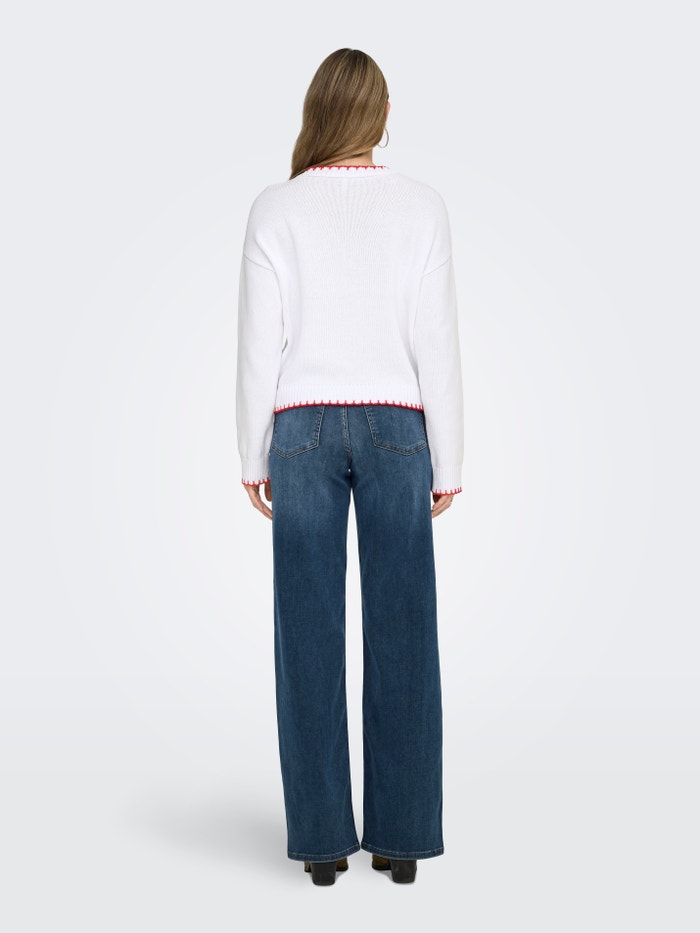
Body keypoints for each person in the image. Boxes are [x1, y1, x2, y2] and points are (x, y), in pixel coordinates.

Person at [235, 48, 464, 886]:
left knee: (306, 633)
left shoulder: (276, 207)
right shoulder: (422, 206)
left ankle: (322, 842)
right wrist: (449, 457)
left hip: (299, 428)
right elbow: (435, 337)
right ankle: (401, 839)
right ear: (382, 113)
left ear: (318, 109)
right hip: (400, 427)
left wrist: (252, 449)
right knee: (405, 630)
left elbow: (259, 341)